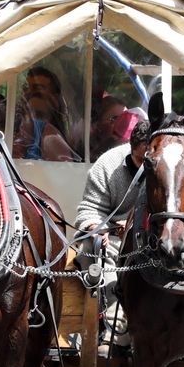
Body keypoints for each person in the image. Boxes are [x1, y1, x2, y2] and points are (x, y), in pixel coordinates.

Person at [73, 118, 151, 348]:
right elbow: (89, 209)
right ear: (131, 147)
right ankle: (113, 329)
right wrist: (95, 228)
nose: (143, 167)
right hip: (114, 239)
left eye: (149, 161)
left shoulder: (167, 167)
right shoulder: (108, 165)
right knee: (98, 251)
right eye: (139, 159)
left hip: (154, 241)